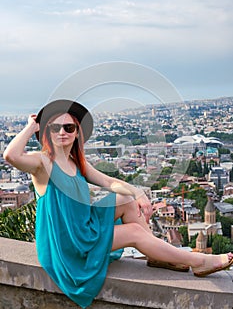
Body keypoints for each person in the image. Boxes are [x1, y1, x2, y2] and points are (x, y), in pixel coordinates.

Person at [3, 99, 233, 309]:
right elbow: (10, 156)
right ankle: (199, 261)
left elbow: (108, 181)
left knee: (125, 199)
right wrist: (31, 125)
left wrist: (138, 193)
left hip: (82, 226)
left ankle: (157, 255)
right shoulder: (43, 162)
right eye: (55, 127)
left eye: (69, 127)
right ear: (46, 132)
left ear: (77, 133)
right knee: (133, 230)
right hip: (69, 243)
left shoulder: (74, 161)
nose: (62, 132)